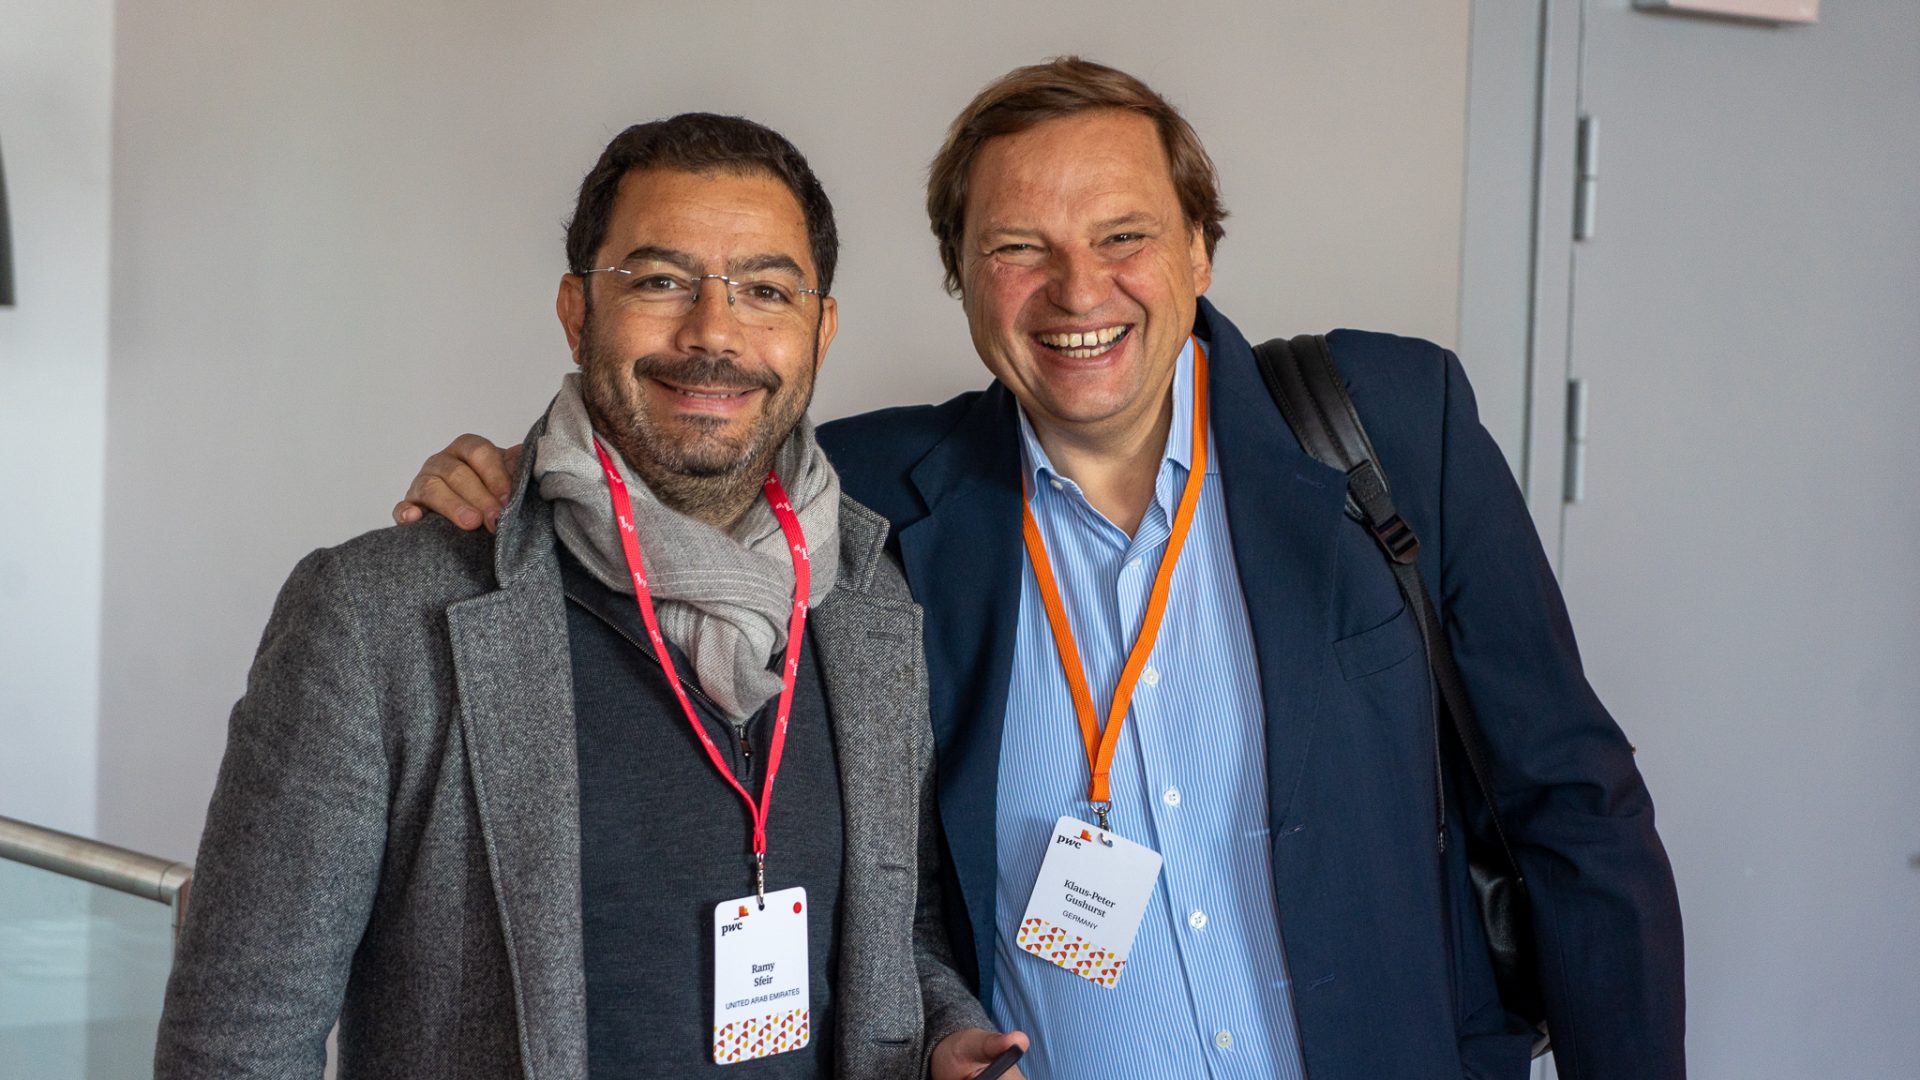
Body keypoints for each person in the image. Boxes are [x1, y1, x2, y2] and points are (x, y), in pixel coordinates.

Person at [399, 59, 1685, 1079]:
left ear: (1200, 251)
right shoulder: (874, 499)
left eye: (1124, 234)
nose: (1079, 290)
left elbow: (1578, 807)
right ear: (961, 280)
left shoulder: (1387, 425)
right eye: (1018, 247)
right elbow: (688, 435)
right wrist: (523, 482)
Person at [156, 113, 1026, 1080]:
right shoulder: (375, 619)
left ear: (819, 328)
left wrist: (944, 1032)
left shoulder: (867, 602)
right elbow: (237, 1043)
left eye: (766, 291)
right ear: (577, 313)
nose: (713, 333)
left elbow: (896, 925)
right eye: (659, 281)